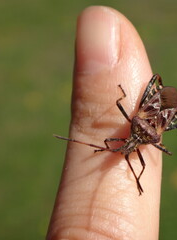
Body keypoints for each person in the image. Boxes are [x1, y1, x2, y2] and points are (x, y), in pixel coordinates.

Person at [47, 6, 162, 240]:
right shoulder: (125, 143)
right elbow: (116, 145)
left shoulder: (129, 140)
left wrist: (138, 177)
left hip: (146, 124)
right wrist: (106, 148)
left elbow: (128, 155)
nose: (125, 149)